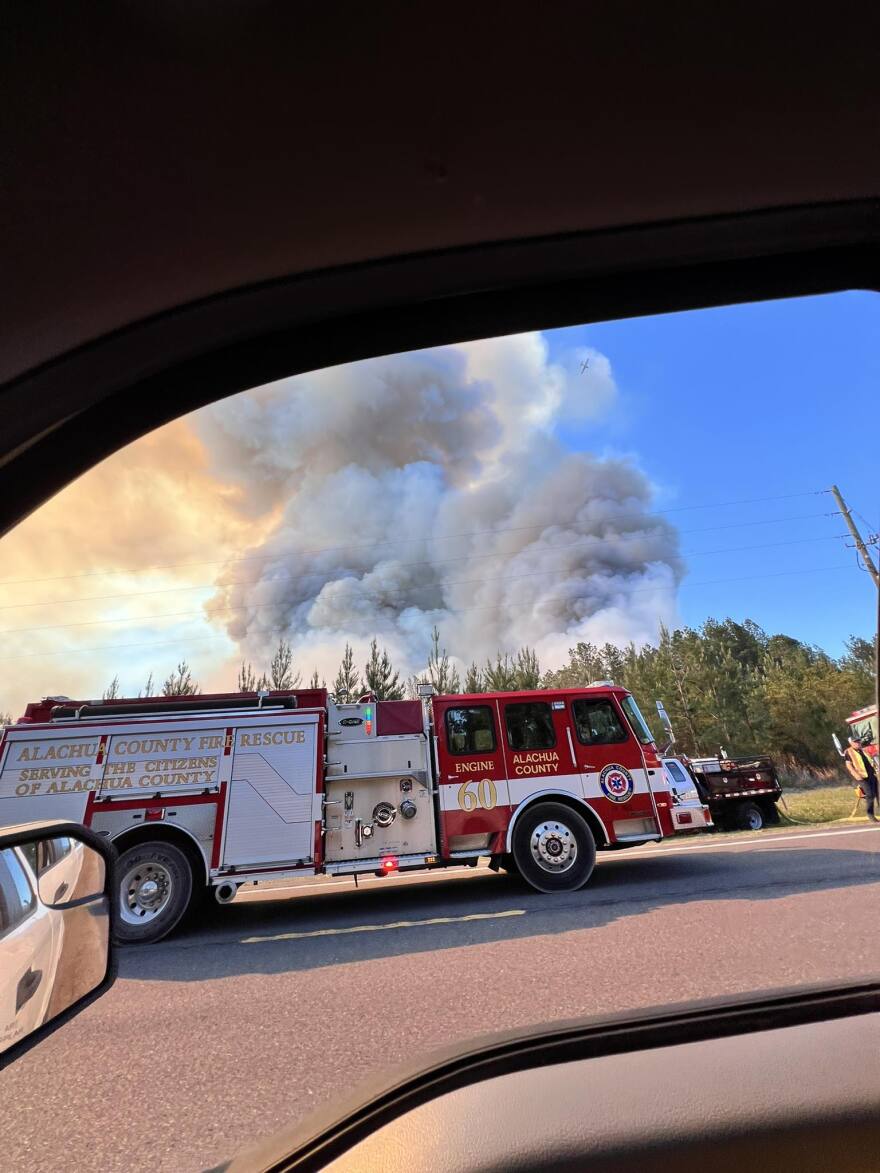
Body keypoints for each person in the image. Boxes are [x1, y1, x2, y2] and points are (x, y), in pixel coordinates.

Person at [844, 735, 878, 822]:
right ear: (851, 743)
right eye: (856, 742)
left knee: (877, 794)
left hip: (871, 775)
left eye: (859, 741)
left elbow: (871, 760)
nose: (858, 743)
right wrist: (855, 774)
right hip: (861, 777)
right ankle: (870, 815)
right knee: (870, 795)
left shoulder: (863, 750)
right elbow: (849, 765)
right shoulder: (848, 752)